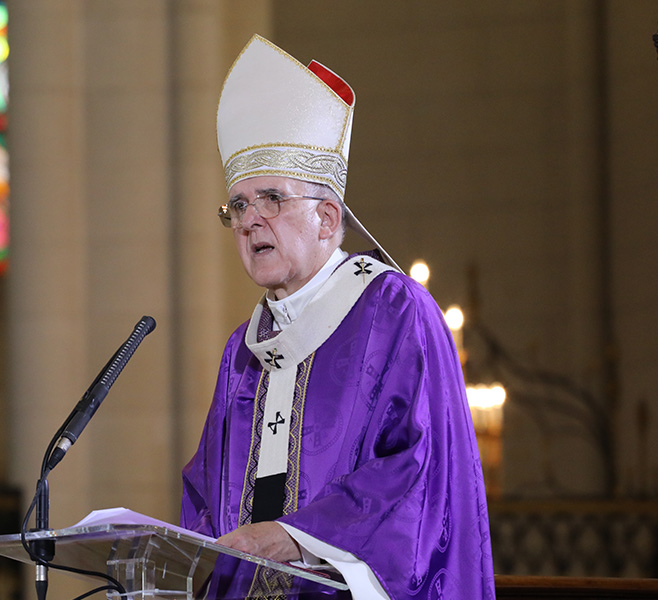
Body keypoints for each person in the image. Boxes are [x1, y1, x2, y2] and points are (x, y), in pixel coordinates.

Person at [180, 35, 496, 599]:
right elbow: (207, 498)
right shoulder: (243, 351)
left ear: (328, 218)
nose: (250, 221)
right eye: (239, 206)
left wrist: (295, 537)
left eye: (271, 198)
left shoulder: (395, 313)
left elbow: (421, 477)